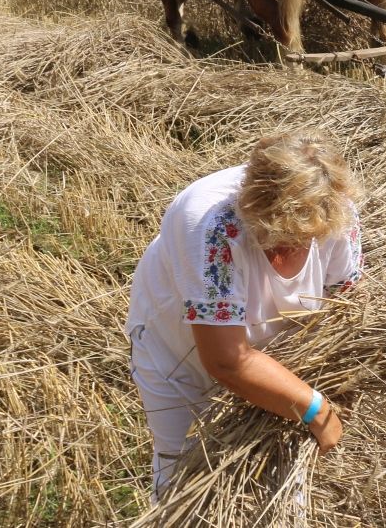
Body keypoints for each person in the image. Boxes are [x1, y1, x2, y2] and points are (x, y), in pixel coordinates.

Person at [126, 129, 361, 501]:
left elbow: (343, 305)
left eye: (302, 240)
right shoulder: (210, 222)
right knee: (183, 473)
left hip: (273, 348)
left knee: (279, 482)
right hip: (175, 349)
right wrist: (316, 409)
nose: (290, 250)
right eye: (281, 238)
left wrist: (310, 382)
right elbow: (227, 361)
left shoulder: (334, 212)